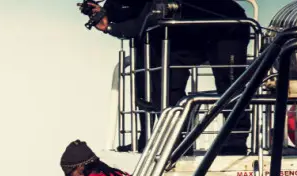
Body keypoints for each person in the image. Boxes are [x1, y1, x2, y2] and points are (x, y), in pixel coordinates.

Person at [84, 0, 251, 155]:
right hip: (186, 34)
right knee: (166, 85)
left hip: (226, 27)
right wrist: (102, 12)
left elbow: (142, 22)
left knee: (229, 83)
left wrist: (109, 28)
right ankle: (179, 138)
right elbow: (128, 9)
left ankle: (236, 140)